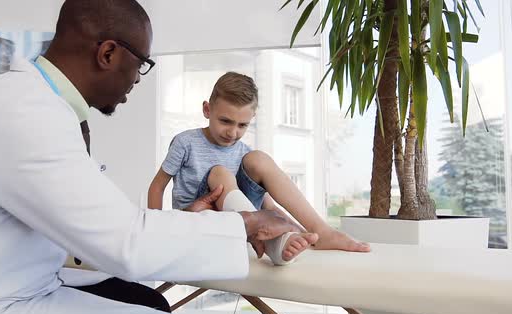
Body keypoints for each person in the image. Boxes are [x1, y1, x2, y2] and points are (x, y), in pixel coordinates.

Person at [0, 1, 305, 314]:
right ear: (108, 54)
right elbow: (126, 242)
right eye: (141, 64)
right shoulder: (25, 112)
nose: (137, 79)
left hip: (11, 282)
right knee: (151, 313)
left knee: (147, 304)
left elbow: (110, 223)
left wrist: (197, 220)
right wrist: (244, 223)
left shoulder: (39, 105)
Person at [148, 72, 370, 264]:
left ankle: (317, 232)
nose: (232, 132)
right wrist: (158, 235)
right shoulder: (185, 142)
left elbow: (268, 204)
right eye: (225, 121)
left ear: (251, 119)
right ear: (207, 110)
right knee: (220, 173)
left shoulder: (243, 150)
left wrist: (296, 230)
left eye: (242, 125)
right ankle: (270, 239)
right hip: (198, 218)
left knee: (258, 159)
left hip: (242, 218)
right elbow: (157, 187)